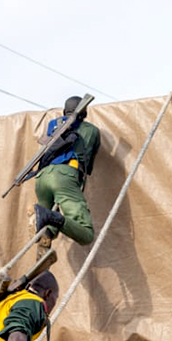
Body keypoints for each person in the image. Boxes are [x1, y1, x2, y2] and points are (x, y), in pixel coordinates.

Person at [29, 96, 101, 247]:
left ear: (64, 112)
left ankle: (45, 238)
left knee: (46, 228)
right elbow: (88, 166)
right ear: (84, 113)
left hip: (42, 177)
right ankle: (49, 217)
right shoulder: (91, 130)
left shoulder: (54, 128)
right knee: (86, 234)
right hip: (65, 175)